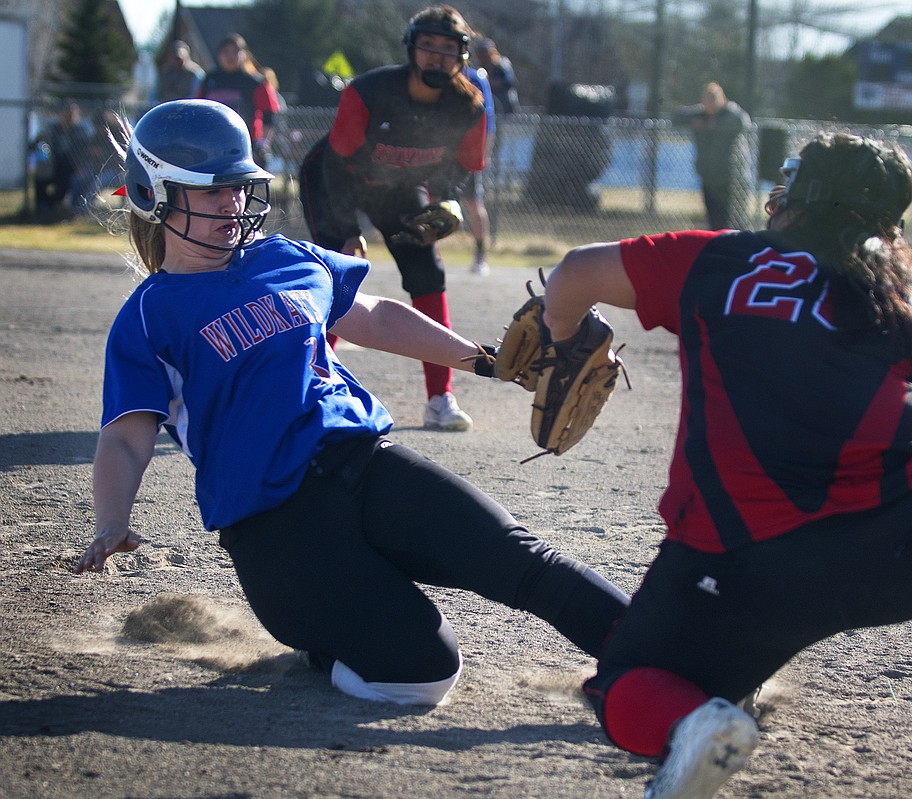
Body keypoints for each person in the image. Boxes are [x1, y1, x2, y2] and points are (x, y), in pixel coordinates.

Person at [535, 131, 912, 799]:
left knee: (625, 683)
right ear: (890, 223)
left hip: (738, 570)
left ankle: (695, 726)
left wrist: (561, 333)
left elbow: (573, 271)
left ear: (795, 198)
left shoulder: (716, 259)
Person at [73, 98, 629, 710]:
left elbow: (372, 316)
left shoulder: (283, 257)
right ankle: (327, 649)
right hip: (276, 527)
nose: (232, 204)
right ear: (154, 193)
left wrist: (482, 358)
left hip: (369, 465)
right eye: (210, 192)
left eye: (238, 187)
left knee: (528, 565)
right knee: (421, 672)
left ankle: (669, 660)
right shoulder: (149, 315)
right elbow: (126, 436)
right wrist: (111, 521)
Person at [299, 5, 487, 431]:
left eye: (448, 48)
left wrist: (447, 201)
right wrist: (346, 231)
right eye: (428, 45)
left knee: (428, 276)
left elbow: (463, 165)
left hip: (400, 188)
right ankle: (307, 386)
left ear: (463, 55)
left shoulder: (468, 106)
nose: (437, 56)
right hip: (338, 179)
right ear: (411, 48)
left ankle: (440, 398)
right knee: (332, 277)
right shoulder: (369, 91)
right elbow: (334, 164)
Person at [673, 82, 753, 230]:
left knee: (735, 222)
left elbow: (743, 121)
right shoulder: (700, 114)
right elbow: (675, 118)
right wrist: (696, 122)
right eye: (707, 100)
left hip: (733, 179)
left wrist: (714, 124)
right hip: (710, 178)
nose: (710, 104)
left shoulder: (732, 113)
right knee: (714, 223)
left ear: (722, 99)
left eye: (714, 99)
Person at [197, 33, 281, 168]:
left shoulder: (255, 82)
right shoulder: (210, 80)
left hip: (245, 147)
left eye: (236, 51)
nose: (231, 56)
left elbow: (269, 116)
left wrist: (263, 144)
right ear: (219, 54)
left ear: (244, 54)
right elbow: (198, 110)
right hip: (212, 147)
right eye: (226, 51)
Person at [31, 99, 93, 221]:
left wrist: (82, 167)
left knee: (64, 178)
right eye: (65, 112)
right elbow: (38, 142)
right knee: (39, 178)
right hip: (53, 164)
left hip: (72, 166)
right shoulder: (53, 129)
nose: (68, 116)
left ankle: (56, 207)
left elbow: (86, 153)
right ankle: (43, 207)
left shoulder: (80, 131)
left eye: (71, 113)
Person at [463, 62, 494, 275]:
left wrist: (485, 152)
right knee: (431, 203)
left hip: (467, 153)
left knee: (474, 203)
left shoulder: (475, 79)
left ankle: (480, 254)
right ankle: (431, 253)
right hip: (439, 151)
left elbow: (488, 119)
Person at [473, 38, 519, 116]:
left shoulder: (502, 65)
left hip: (504, 104)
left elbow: (510, 81)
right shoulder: (480, 68)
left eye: (484, 54)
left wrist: (493, 82)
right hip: (489, 106)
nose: (483, 58)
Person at [153, 40, 204, 104]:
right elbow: (154, 96)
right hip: (165, 108)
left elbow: (195, 97)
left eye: (178, 58)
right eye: (172, 57)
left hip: (187, 108)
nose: (175, 61)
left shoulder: (195, 74)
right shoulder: (163, 73)